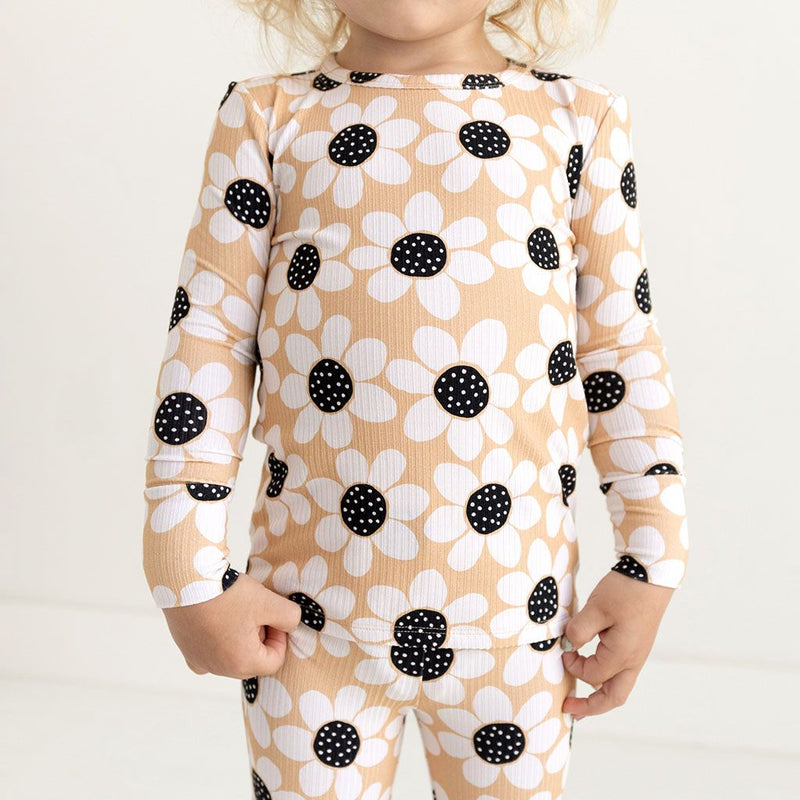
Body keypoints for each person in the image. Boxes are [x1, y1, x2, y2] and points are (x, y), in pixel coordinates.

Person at [141, 1, 689, 796]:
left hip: (519, 626)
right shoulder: (266, 117)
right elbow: (209, 344)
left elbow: (620, 352)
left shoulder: (579, 121)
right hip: (305, 626)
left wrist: (652, 558)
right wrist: (185, 571)